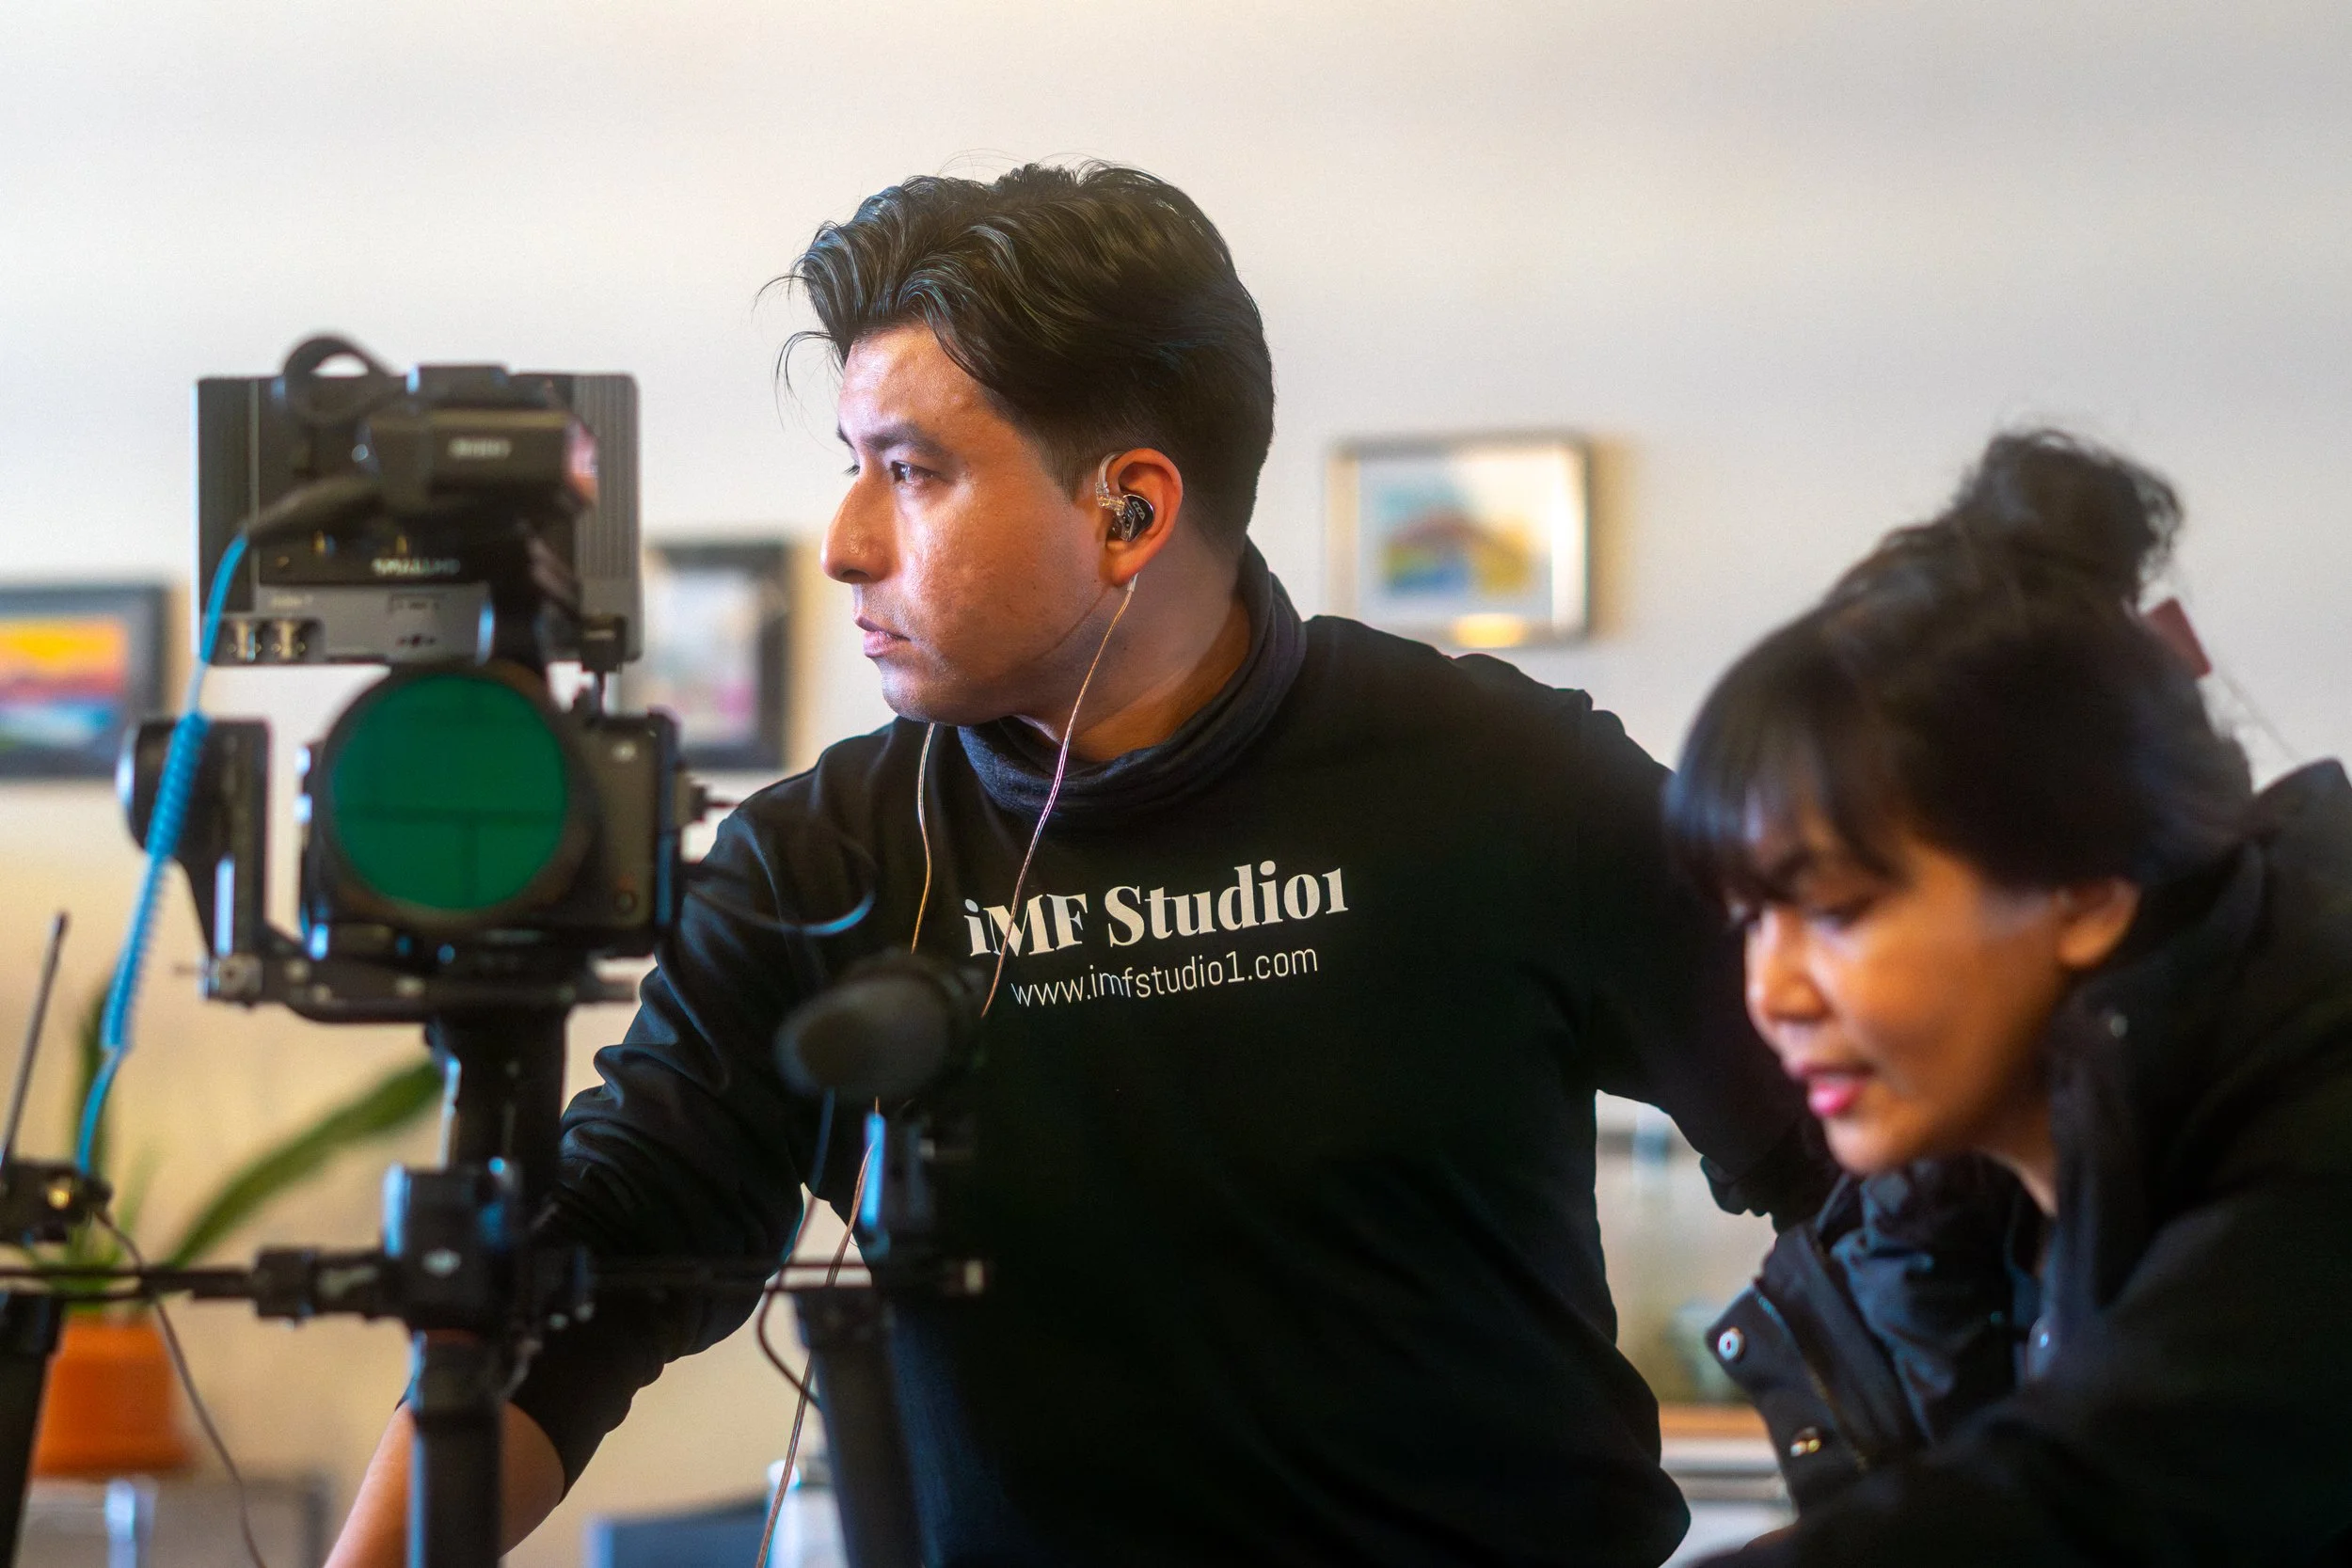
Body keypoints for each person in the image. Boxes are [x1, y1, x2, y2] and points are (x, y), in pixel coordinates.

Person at [327, 161, 1831, 1567]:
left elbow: (1856, 1156)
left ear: (1130, 509)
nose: (846, 541)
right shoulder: (816, 859)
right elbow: (585, 1294)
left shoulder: (1506, 778)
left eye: (910, 471)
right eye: (851, 464)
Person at [1663, 431, 2352, 1565]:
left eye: (1833, 910)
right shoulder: (1949, 1216)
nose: (1770, 990)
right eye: (1748, 918)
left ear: (2083, 889)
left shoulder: (2318, 1127)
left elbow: (2075, 1506)